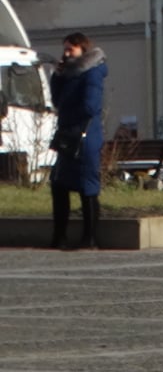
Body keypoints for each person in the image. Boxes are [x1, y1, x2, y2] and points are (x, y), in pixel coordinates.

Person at [48, 33, 107, 250]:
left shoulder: (92, 73)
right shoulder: (69, 75)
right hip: (68, 136)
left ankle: (90, 238)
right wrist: (57, 76)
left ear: (82, 50)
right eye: (64, 49)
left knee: (87, 186)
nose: (66, 53)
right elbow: (56, 101)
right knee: (58, 184)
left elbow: (90, 106)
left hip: (85, 136)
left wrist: (69, 114)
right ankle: (59, 236)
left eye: (70, 50)